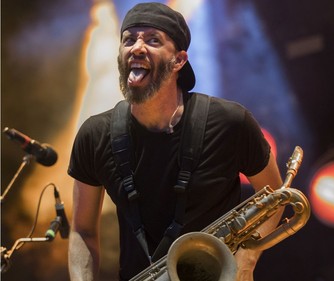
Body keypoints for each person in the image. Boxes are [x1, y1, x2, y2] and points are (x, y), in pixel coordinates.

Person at [68, 2, 283, 281]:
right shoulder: (94, 134)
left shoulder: (231, 121)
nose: (137, 47)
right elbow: (82, 231)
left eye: (153, 40)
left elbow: (275, 198)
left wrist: (248, 256)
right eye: (129, 40)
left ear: (179, 60)